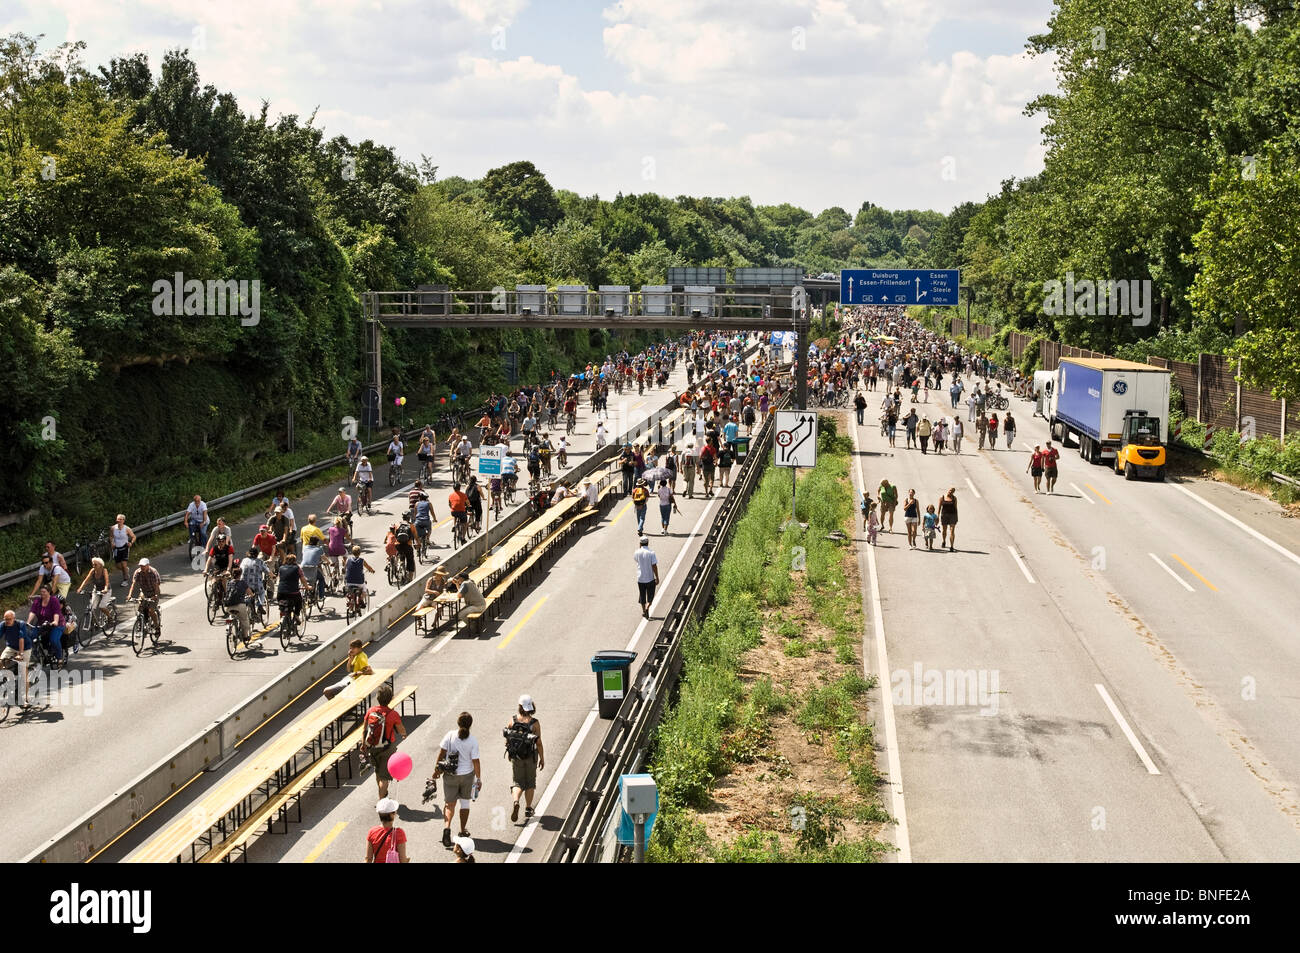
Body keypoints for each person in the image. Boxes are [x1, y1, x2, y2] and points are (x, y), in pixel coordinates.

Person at [433, 712, 482, 849]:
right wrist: (478, 778)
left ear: (458, 723)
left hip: (450, 775)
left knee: (449, 805)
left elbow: (441, 753)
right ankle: (462, 830)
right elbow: (476, 761)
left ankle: (447, 829)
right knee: (465, 803)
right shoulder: (472, 740)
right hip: (467, 775)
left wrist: (436, 770)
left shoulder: (450, 736)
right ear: (470, 724)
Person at [361, 684, 408, 799]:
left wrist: (363, 745)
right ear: (391, 698)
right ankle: (381, 801)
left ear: (377, 698)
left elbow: (364, 730)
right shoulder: (393, 714)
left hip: (372, 746)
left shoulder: (371, 711)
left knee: (378, 772)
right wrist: (403, 735)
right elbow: (401, 730)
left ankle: (383, 793)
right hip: (387, 748)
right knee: (385, 777)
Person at [505, 695, 545, 822]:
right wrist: (542, 758)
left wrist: (511, 753)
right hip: (530, 757)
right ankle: (528, 808)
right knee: (530, 782)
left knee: (518, 782)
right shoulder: (534, 723)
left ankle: (516, 801)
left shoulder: (512, 720)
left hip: (516, 757)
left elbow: (508, 739)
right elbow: (538, 743)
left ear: (520, 706)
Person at [28, 586, 67, 664]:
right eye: (41, 592)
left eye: (44, 592)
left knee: (54, 640)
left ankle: (59, 658)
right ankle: (35, 657)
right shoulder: (37, 601)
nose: (42, 594)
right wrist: (28, 622)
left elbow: (56, 613)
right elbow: (33, 612)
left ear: (49, 592)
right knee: (32, 637)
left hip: (57, 624)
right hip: (42, 624)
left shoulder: (54, 600)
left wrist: (55, 622)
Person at [366, 797, 409, 863]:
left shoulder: (372, 832)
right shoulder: (399, 833)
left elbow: (368, 859)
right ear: (393, 814)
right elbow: (402, 859)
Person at [127, 557, 162, 630]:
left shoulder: (153, 572)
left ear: (148, 565)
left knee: (151, 610)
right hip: (144, 591)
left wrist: (155, 595)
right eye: (140, 566)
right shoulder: (138, 572)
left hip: (154, 592)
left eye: (143, 566)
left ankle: (157, 626)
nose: (142, 567)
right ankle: (141, 622)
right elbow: (133, 584)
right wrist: (129, 595)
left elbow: (156, 586)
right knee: (140, 606)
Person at [344, 545, 375, 613]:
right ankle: (361, 599)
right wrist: (372, 570)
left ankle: (350, 604)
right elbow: (368, 567)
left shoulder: (348, 560)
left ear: (352, 552)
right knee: (364, 590)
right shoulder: (362, 560)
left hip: (349, 581)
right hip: (359, 582)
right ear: (360, 553)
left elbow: (344, 568)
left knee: (348, 592)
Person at [634, 536, 659, 619]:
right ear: (648, 543)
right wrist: (657, 577)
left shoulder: (637, 552)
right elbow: (654, 565)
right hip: (650, 578)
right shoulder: (651, 553)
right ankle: (648, 607)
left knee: (642, 595)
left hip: (640, 578)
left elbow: (636, 560)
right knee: (650, 596)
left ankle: (644, 611)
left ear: (640, 543)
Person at [109, 514, 136, 586]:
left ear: (123, 520)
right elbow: (111, 536)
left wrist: (131, 543)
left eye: (120, 519)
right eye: (118, 519)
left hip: (125, 548)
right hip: (116, 549)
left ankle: (125, 580)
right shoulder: (113, 528)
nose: (119, 521)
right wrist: (112, 543)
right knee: (118, 566)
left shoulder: (127, 529)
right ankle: (126, 570)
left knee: (123, 565)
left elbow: (133, 537)